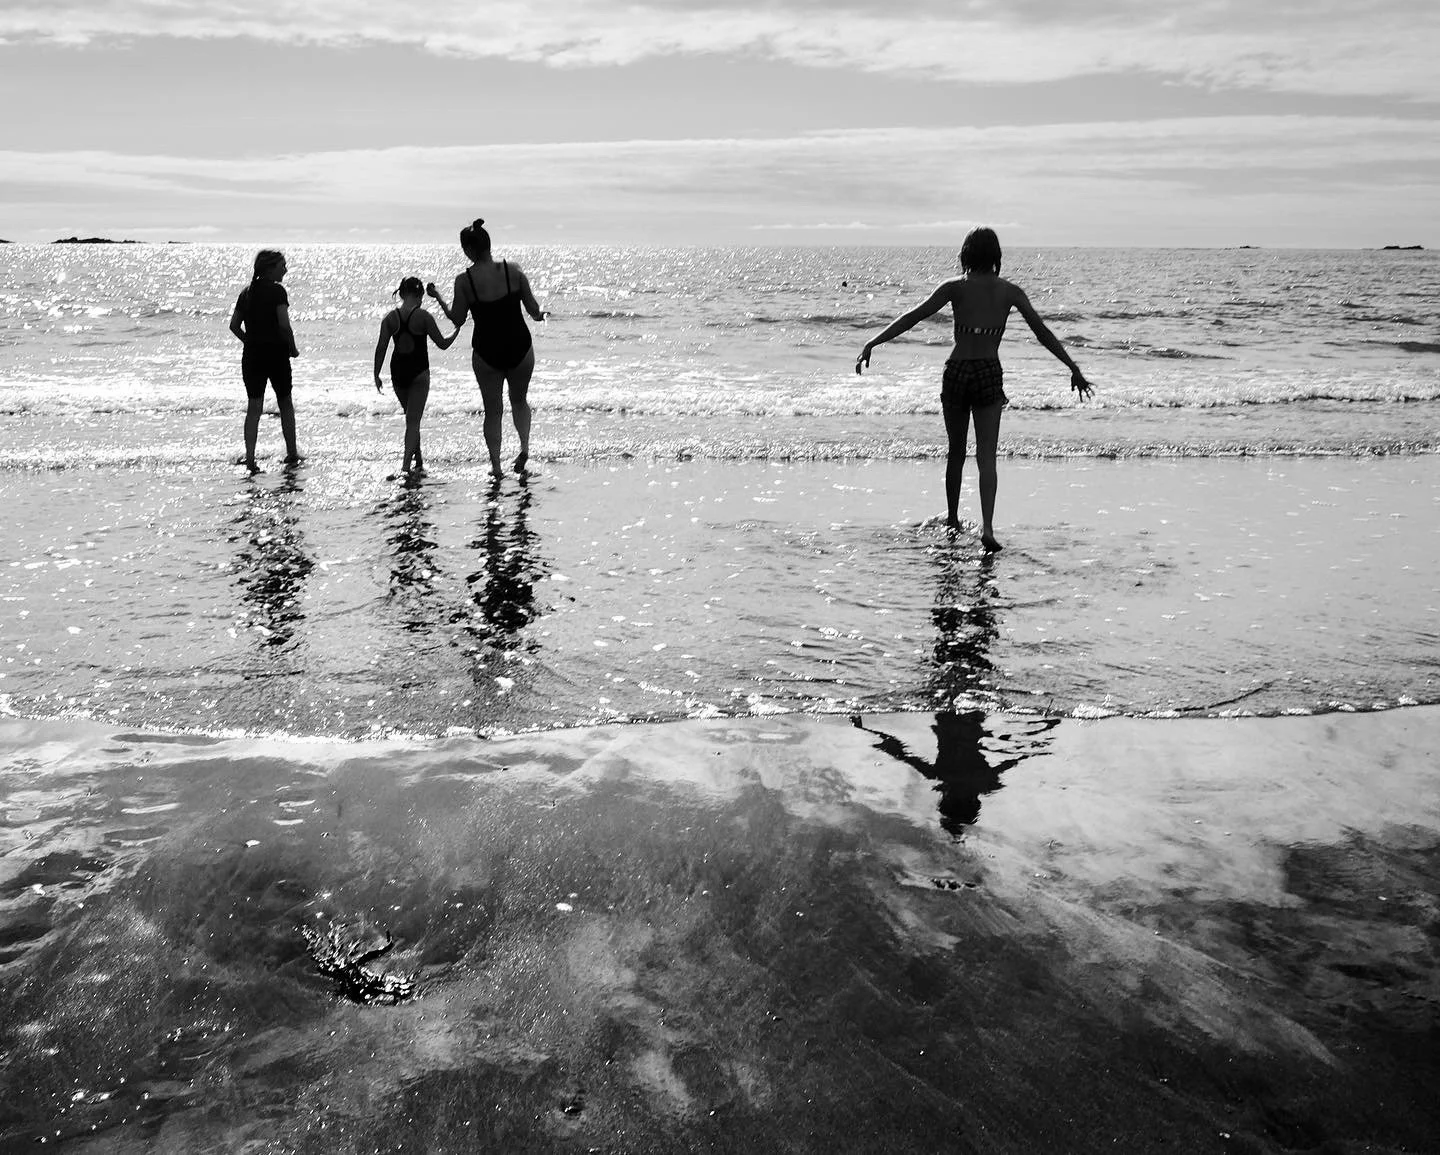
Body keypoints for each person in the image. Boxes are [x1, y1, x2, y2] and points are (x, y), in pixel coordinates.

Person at [856, 227, 1093, 551]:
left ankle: (953, 520)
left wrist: (873, 341)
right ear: (996, 256)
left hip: (957, 371)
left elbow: (914, 316)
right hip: (987, 372)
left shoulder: (954, 287)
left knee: (955, 453)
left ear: (965, 254)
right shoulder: (1010, 292)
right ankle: (988, 530)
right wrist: (1072, 366)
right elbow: (1042, 332)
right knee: (986, 457)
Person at [427, 218, 547, 479]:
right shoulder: (513, 271)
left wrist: (439, 299)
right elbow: (533, 309)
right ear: (489, 245)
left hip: (487, 351)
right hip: (519, 346)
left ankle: (496, 467)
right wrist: (540, 317)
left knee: (493, 412)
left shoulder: (464, 281)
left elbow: (458, 319)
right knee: (519, 401)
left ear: (469, 250)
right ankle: (524, 449)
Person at [373, 276, 458, 477]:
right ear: (420, 296)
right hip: (419, 372)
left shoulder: (390, 318)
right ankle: (405, 467)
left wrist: (376, 374)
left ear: (402, 294)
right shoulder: (424, 317)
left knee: (411, 416)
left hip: (398, 373)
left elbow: (381, 347)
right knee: (413, 421)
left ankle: (418, 460)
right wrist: (456, 331)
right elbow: (443, 344)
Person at [228, 249, 300, 473]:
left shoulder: (247, 292)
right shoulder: (277, 291)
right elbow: (284, 325)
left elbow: (234, 326)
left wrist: (250, 342)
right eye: (282, 266)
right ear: (270, 268)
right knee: (285, 403)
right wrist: (293, 348)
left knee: (254, 408)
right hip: (276, 355)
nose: (285, 270)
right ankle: (291, 454)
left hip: (252, 357)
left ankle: (250, 460)